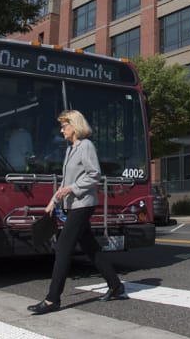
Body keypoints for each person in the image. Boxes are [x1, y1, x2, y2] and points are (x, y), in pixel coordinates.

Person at [28, 110, 126, 314]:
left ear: (74, 126)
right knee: (90, 247)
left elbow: (94, 175)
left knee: (63, 247)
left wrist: (72, 189)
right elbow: (65, 181)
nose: (61, 129)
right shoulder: (71, 148)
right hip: (74, 204)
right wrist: (53, 201)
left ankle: (52, 299)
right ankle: (116, 286)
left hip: (83, 204)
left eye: (64, 125)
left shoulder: (86, 146)